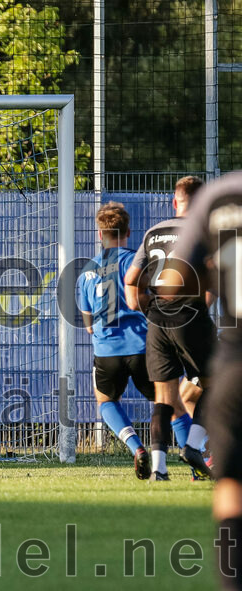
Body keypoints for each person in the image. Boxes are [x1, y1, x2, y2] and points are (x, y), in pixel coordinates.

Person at [166, 171, 242, 589]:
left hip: (235, 356)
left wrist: (215, 273)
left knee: (231, 484)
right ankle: (192, 447)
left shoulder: (220, 196)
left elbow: (173, 281)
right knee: (190, 387)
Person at [125, 175, 214, 481]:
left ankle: (159, 470)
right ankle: (193, 446)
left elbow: (131, 281)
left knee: (164, 397)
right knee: (215, 384)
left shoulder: (153, 233)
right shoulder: (202, 232)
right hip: (190, 317)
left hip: (157, 321)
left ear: (175, 201)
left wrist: (147, 306)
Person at [76, 202, 155, 479]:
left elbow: (88, 326)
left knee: (106, 400)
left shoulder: (87, 271)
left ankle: (136, 447)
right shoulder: (137, 263)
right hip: (142, 346)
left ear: (100, 234)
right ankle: (201, 454)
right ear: (128, 232)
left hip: (107, 350)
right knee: (169, 402)